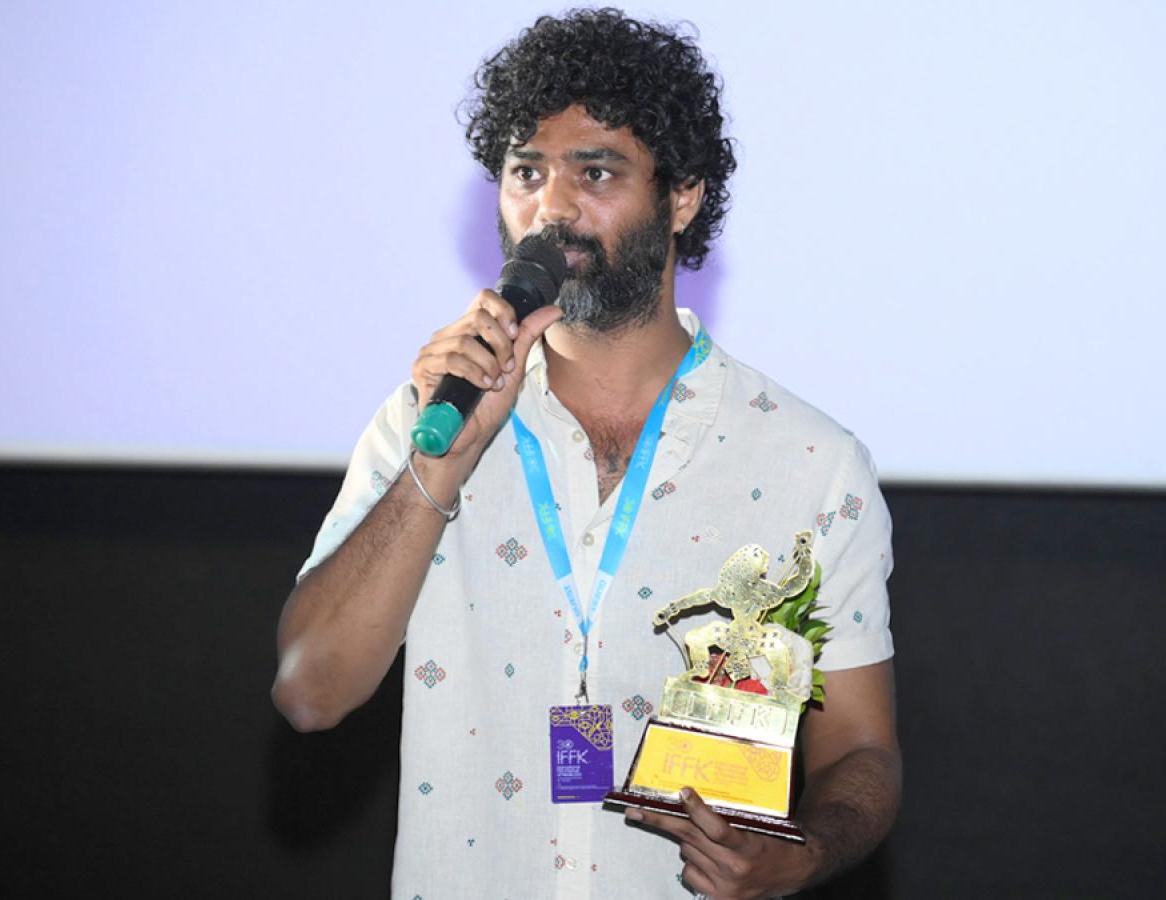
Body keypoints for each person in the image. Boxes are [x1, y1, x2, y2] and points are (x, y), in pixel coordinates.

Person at [273, 9, 899, 898]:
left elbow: (862, 751)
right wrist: (438, 468)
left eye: (595, 172)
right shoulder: (428, 421)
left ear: (682, 197)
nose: (552, 208)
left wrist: (801, 853)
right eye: (527, 172)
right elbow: (310, 693)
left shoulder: (809, 462)